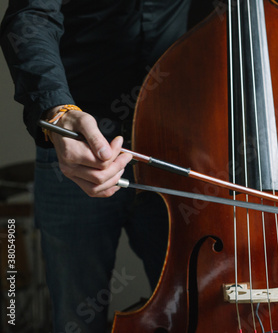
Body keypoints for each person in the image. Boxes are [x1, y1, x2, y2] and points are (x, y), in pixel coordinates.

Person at [1, 0, 193, 331]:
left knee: (187, 312)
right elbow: (31, 15)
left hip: (177, 150)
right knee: (76, 317)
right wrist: (57, 110)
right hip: (75, 144)